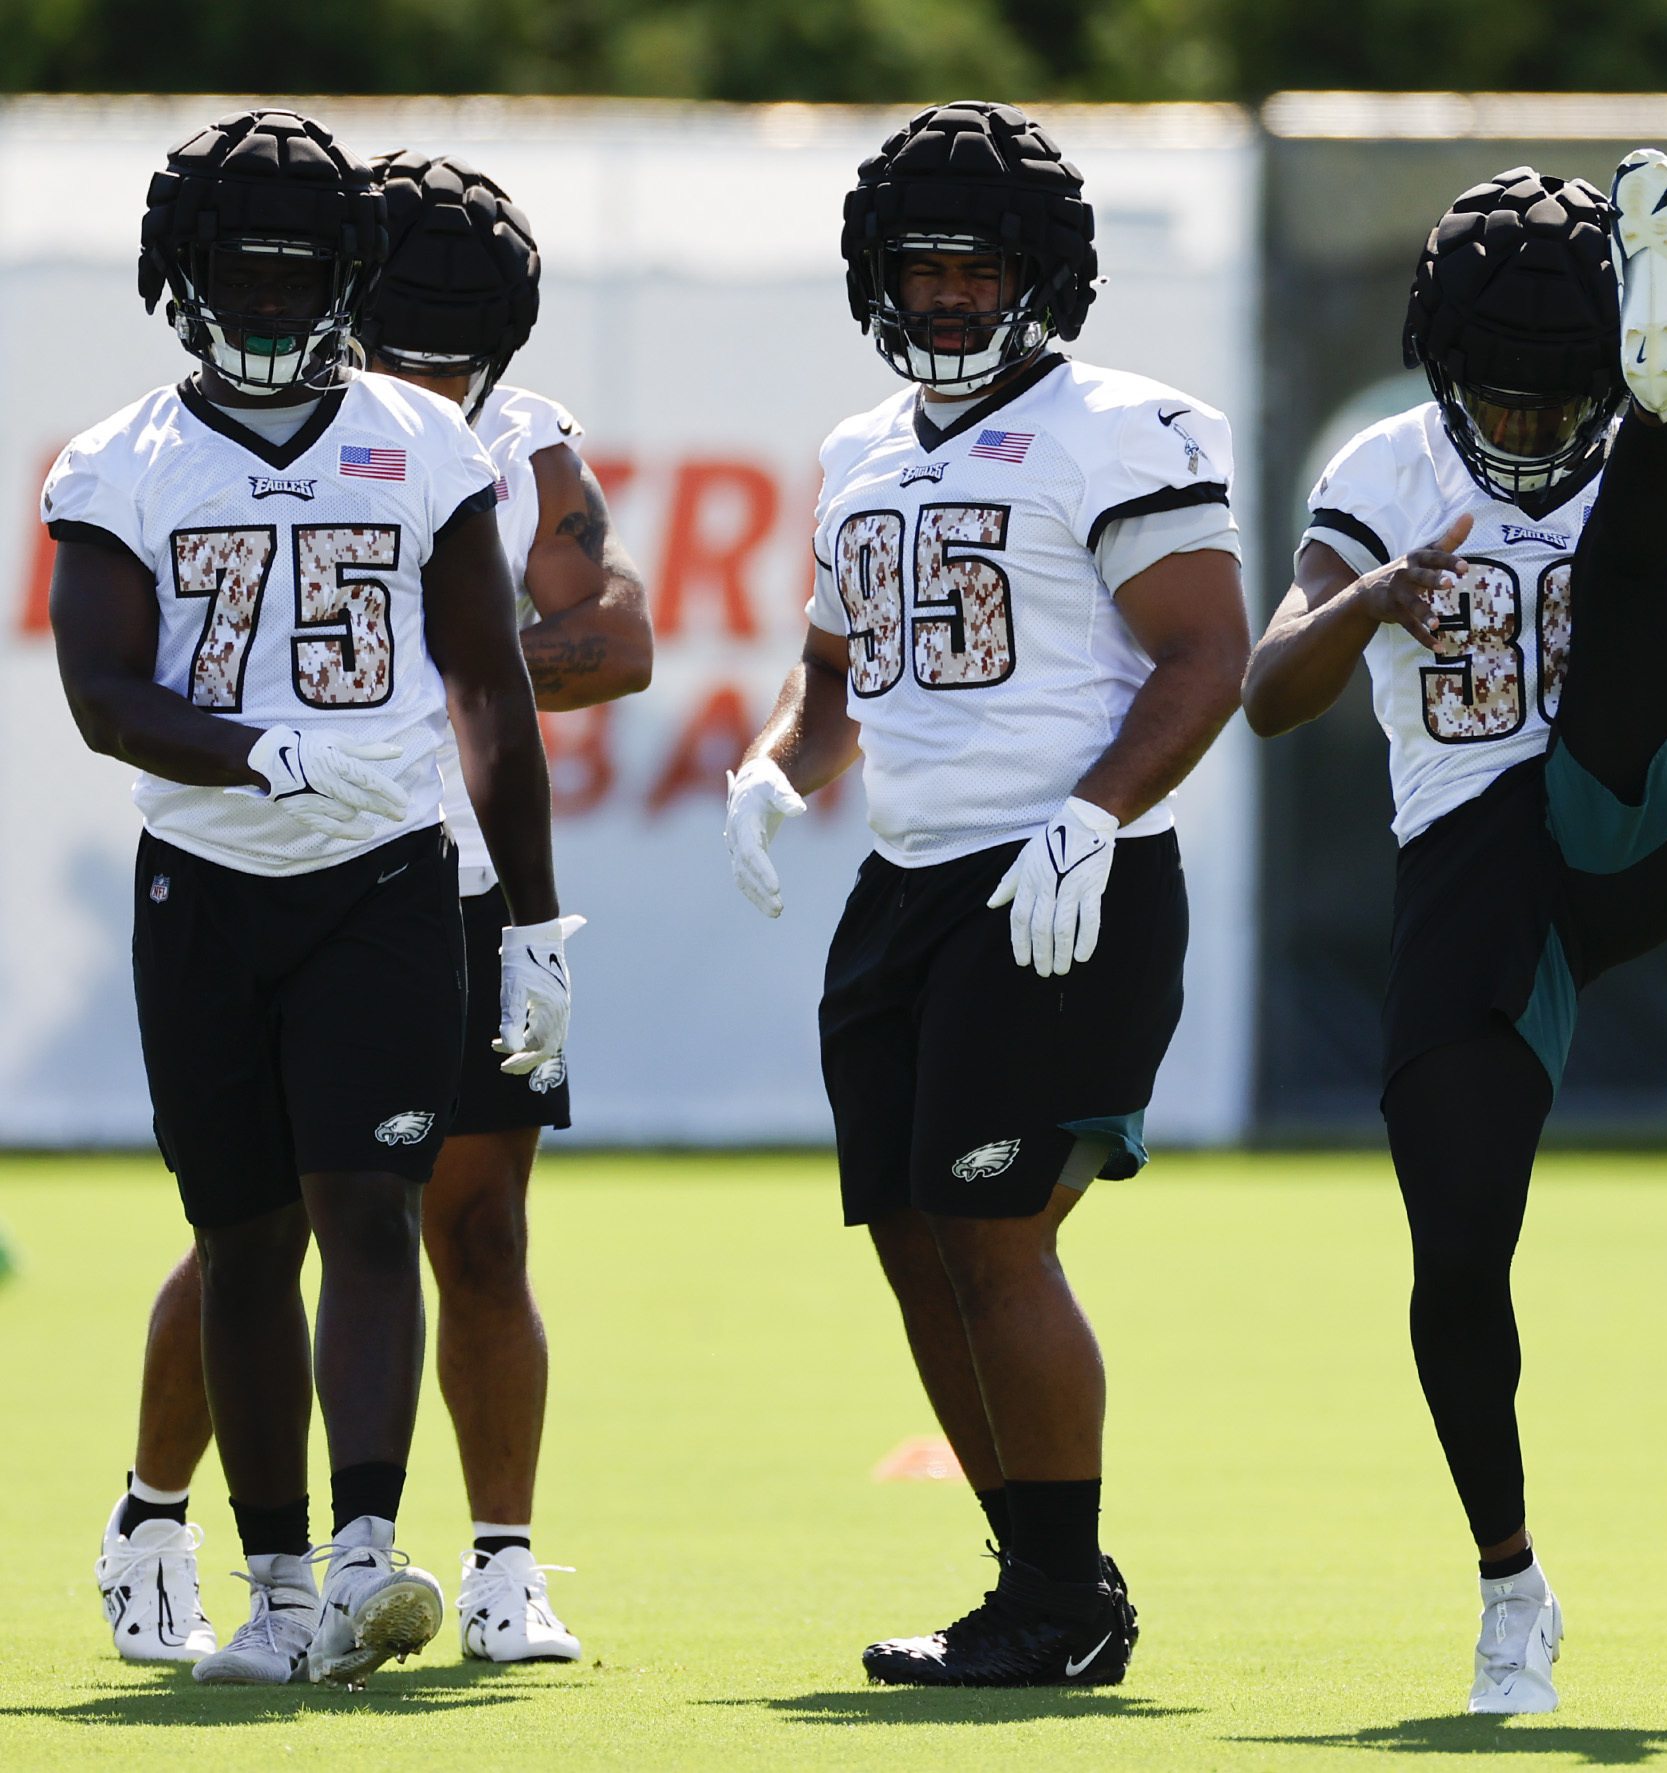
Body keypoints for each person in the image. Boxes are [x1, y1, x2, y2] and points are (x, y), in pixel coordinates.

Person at [1243, 155, 1667, 1713]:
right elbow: (1265, 691)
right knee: (1456, 1252)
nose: (1524, 431)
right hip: (1472, 867)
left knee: (1630, 564)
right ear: (1444, 374)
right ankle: (1511, 1584)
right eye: (1501, 402)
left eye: (1559, 400)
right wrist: (1369, 599)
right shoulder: (1387, 474)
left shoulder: (1660, 486)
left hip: (1632, 817)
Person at [90, 149, 651, 1670]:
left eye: (457, 355)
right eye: (408, 342)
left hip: (442, 881)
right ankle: (153, 1516)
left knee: (467, 1232)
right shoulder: (220, 427)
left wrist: (408, 698)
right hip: (269, 861)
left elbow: (619, 639)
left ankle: (499, 1564)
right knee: (248, 1233)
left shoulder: (513, 445)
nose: (429, 374)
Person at [723, 101, 1248, 1687]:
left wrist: (1093, 816)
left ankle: (1065, 1595)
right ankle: (1036, 1583)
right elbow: (829, 682)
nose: (946, 295)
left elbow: (1208, 655)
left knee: (992, 1229)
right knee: (910, 1237)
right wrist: (773, 770)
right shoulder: (857, 449)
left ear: (1042, 274)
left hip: (1059, 879)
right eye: (921, 266)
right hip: (905, 883)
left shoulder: (1129, 424)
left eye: (975, 265)